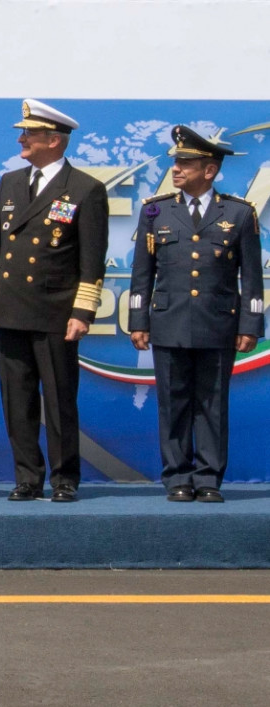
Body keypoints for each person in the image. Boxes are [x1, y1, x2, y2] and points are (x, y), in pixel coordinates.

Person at [0, 99, 108, 502]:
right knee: (18, 401)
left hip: (55, 311)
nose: (21, 139)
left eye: (29, 134)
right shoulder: (10, 183)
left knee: (60, 400)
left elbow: (92, 260)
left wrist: (82, 311)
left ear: (54, 140)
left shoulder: (85, 188)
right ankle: (27, 478)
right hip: (12, 308)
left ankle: (64, 479)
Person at [129, 125, 264, 503]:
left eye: (186, 163)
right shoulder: (155, 211)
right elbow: (142, 274)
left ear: (210, 170)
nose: (177, 168)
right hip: (169, 320)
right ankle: (177, 478)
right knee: (173, 401)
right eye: (176, 162)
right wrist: (138, 321)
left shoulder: (238, 213)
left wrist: (251, 324)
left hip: (217, 322)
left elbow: (252, 278)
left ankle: (208, 479)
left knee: (212, 403)